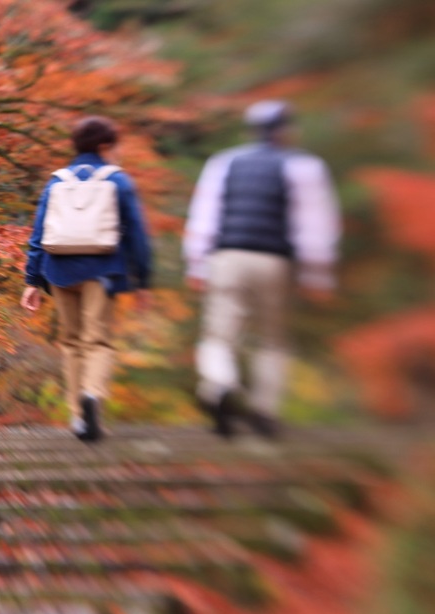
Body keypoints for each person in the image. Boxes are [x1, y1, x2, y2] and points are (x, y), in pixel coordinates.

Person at [184, 100, 342, 438]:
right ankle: (264, 411)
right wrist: (318, 275)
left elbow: (204, 217)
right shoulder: (304, 167)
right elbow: (313, 225)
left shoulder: (224, 163)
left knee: (218, 336)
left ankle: (220, 384)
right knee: (272, 340)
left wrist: (196, 263)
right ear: (286, 131)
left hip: (227, 257)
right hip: (275, 262)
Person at [21, 115, 153, 441]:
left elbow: (38, 235)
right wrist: (143, 280)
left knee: (72, 342)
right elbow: (137, 235)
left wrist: (32, 281)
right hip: (102, 271)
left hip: (60, 270)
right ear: (105, 146)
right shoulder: (118, 181)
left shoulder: (56, 182)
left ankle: (79, 417)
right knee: (98, 341)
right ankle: (92, 394)